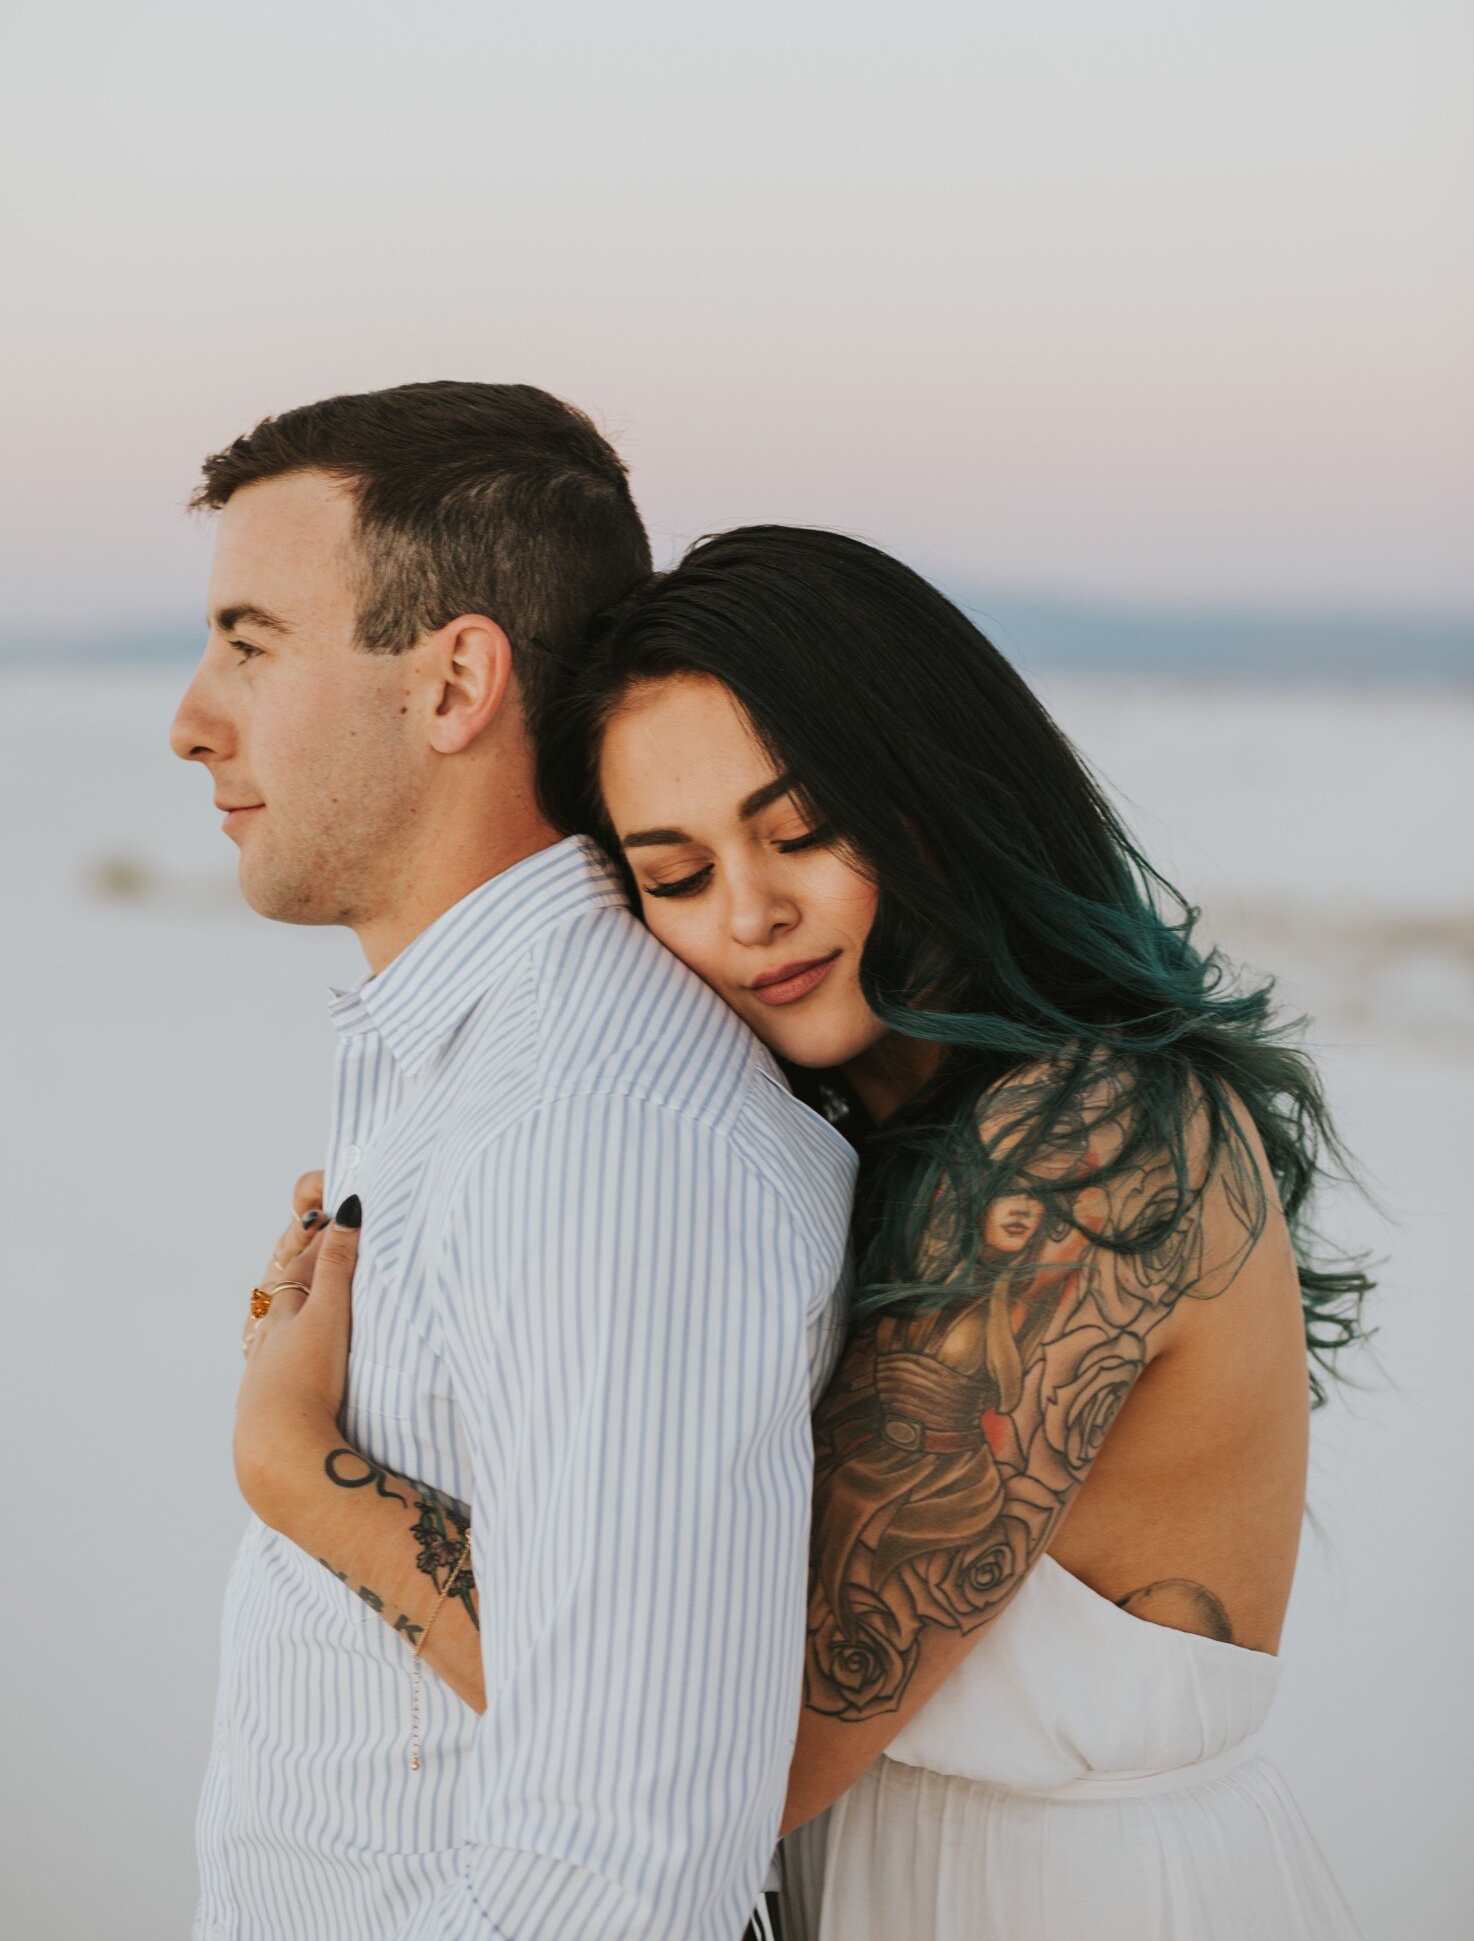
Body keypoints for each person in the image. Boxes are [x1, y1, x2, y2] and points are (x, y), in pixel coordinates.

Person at [255, 523, 1370, 1938]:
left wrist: (306, 1467)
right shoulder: (863, 1137)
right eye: (675, 873)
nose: (753, 912)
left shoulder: (1091, 1138)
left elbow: (742, 1737)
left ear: (934, 793)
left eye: (800, 830)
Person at [172, 388, 855, 1941]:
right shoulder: (468, 1067)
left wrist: (293, 1463)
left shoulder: (598, 1134)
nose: (194, 716)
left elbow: (619, 1866)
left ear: (456, 679)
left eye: (252, 644)